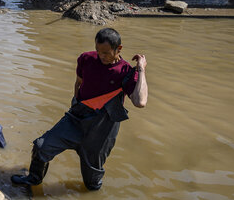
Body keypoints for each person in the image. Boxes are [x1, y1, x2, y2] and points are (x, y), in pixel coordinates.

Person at [11, 28, 148, 190]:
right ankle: (33, 179)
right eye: (98, 51)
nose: (101, 56)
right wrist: (76, 107)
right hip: (76, 118)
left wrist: (141, 69)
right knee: (42, 146)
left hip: (102, 129)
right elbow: (78, 83)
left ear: (119, 49)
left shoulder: (126, 71)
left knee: (91, 181)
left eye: (105, 52)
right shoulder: (86, 58)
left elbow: (140, 101)